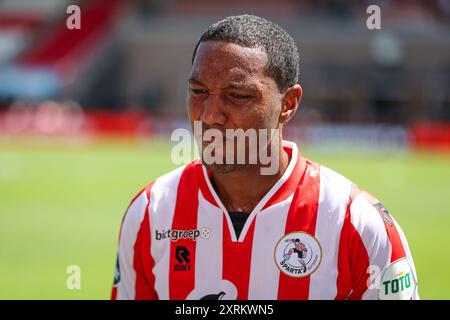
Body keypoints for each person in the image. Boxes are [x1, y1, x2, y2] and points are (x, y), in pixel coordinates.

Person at [111, 14, 418, 300]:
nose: (210, 115)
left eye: (239, 96)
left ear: (288, 103)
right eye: (199, 91)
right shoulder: (151, 212)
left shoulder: (356, 222)